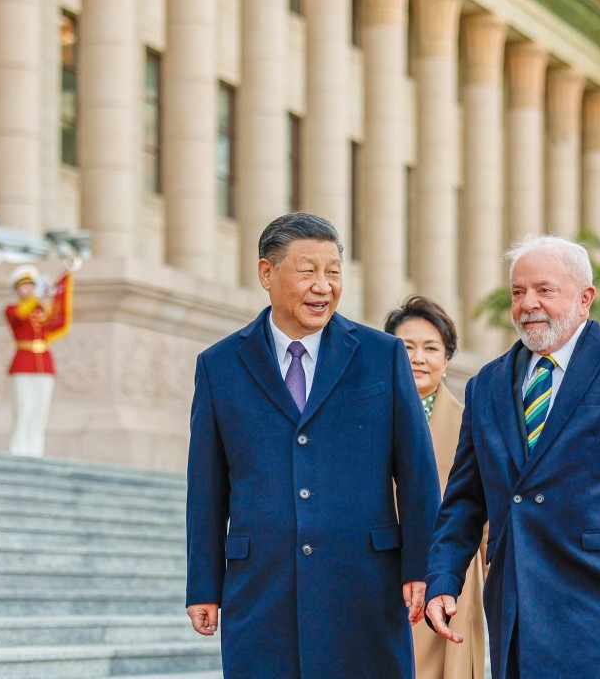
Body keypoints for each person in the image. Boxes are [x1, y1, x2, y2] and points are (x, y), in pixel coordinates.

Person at [425, 234, 600, 679]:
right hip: (517, 607)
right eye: (518, 292)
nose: (528, 303)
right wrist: (444, 579)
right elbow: (465, 498)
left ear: (585, 298)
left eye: (545, 290)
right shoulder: (486, 384)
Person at [185, 212, 441, 678]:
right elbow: (206, 487)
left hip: (364, 584)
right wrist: (203, 584)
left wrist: (422, 567)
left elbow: (418, 473)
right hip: (261, 589)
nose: (323, 286)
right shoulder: (219, 366)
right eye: (308, 272)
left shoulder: (381, 355)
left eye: (333, 272)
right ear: (267, 273)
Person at [384, 295, 487, 679]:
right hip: (382, 573)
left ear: (446, 359)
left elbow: (486, 511)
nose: (418, 358)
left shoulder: (470, 422)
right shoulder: (362, 420)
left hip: (448, 579)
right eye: (406, 347)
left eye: (431, 348)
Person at [6, 265, 55, 457]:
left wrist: (60, 291)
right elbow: (19, 317)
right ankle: (18, 447)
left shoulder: (44, 311)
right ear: (17, 289)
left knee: (40, 410)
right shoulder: (12, 309)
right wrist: (36, 298)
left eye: (32, 286)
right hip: (23, 362)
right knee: (23, 408)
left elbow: (60, 320)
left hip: (44, 364)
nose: (29, 289)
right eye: (24, 286)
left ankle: (35, 449)